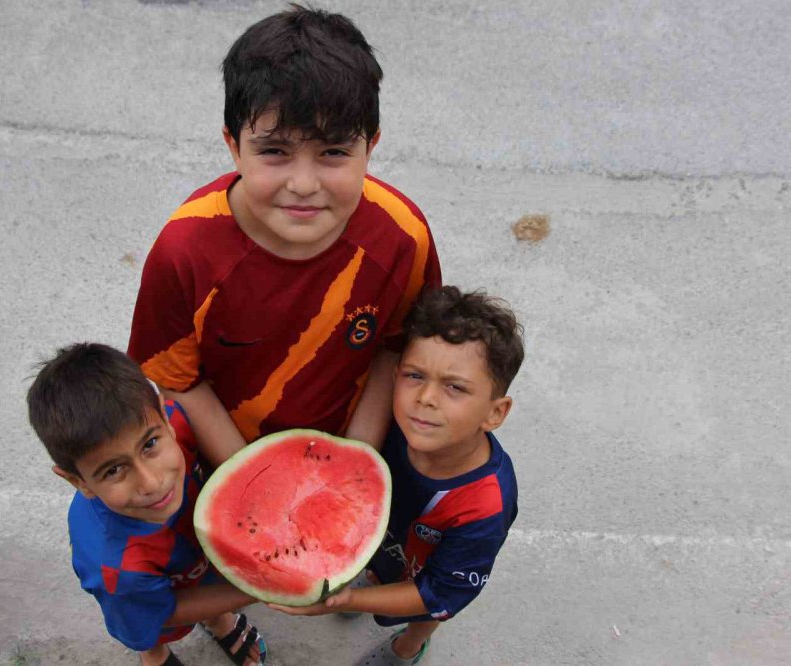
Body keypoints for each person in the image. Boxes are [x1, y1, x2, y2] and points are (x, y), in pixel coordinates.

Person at [127, 5, 441, 465]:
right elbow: (177, 379)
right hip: (225, 454)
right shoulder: (184, 251)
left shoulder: (402, 236)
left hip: (354, 443)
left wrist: (355, 459)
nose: (304, 184)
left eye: (333, 152)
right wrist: (252, 477)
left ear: (370, 146)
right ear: (233, 146)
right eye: (274, 151)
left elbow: (397, 348)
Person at [271, 286, 523, 666]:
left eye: (454, 387)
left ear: (495, 413)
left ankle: (407, 648)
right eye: (415, 375)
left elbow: (437, 591)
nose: (425, 398)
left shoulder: (486, 507)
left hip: (429, 575)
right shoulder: (386, 426)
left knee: (428, 614)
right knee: (375, 574)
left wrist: (348, 600)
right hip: (382, 546)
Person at [26, 343, 268, 666]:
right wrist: (259, 589)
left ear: (162, 414)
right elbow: (168, 610)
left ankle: (217, 618)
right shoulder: (114, 567)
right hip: (140, 596)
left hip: (194, 560)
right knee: (147, 629)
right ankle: (154, 656)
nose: (152, 483)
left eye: (150, 444)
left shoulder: (178, 425)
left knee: (206, 583)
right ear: (78, 481)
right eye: (113, 470)